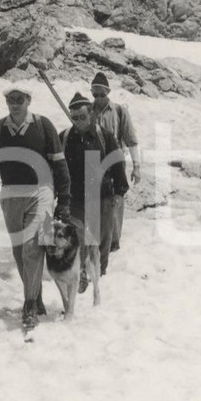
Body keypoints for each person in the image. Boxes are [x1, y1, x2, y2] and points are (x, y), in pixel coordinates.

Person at [0, 85, 71, 334]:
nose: (15, 103)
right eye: (10, 99)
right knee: (19, 252)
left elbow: (60, 165)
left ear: (29, 100)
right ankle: (35, 297)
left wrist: (64, 201)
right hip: (11, 195)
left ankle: (28, 306)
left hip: (43, 192)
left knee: (33, 248)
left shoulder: (43, 125)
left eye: (20, 99)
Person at [60, 92, 129, 283]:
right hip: (75, 198)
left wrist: (120, 192)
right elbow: (55, 167)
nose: (79, 121)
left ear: (91, 114)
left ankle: (100, 274)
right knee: (78, 237)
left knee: (100, 239)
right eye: (75, 118)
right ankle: (81, 272)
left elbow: (117, 164)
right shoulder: (65, 138)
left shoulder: (105, 137)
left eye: (82, 117)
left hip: (102, 196)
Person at [89, 71, 140, 253]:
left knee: (115, 202)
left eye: (102, 94)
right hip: (93, 163)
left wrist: (137, 167)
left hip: (115, 162)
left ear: (108, 93)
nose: (98, 98)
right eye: (95, 95)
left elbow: (132, 140)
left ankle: (114, 243)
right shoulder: (87, 111)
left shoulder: (119, 111)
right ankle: (96, 240)